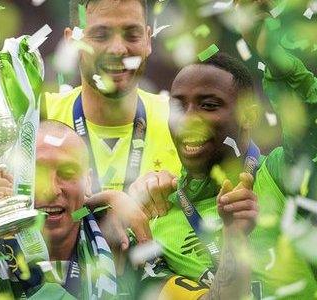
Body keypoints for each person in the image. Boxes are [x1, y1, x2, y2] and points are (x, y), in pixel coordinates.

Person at [136, 52, 317, 299]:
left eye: (208, 105)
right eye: (179, 106)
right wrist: (234, 238)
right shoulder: (156, 218)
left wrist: (277, 55)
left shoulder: (279, 176)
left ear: (249, 115)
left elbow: (308, 133)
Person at [0, 120, 122, 299]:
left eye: (67, 174)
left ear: (88, 182)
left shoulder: (119, 241)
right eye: (36, 174)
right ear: (12, 179)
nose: (51, 190)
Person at [43, 0, 181, 199]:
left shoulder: (180, 123)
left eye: (132, 35)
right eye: (100, 35)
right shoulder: (38, 118)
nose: (118, 49)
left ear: (148, 40)